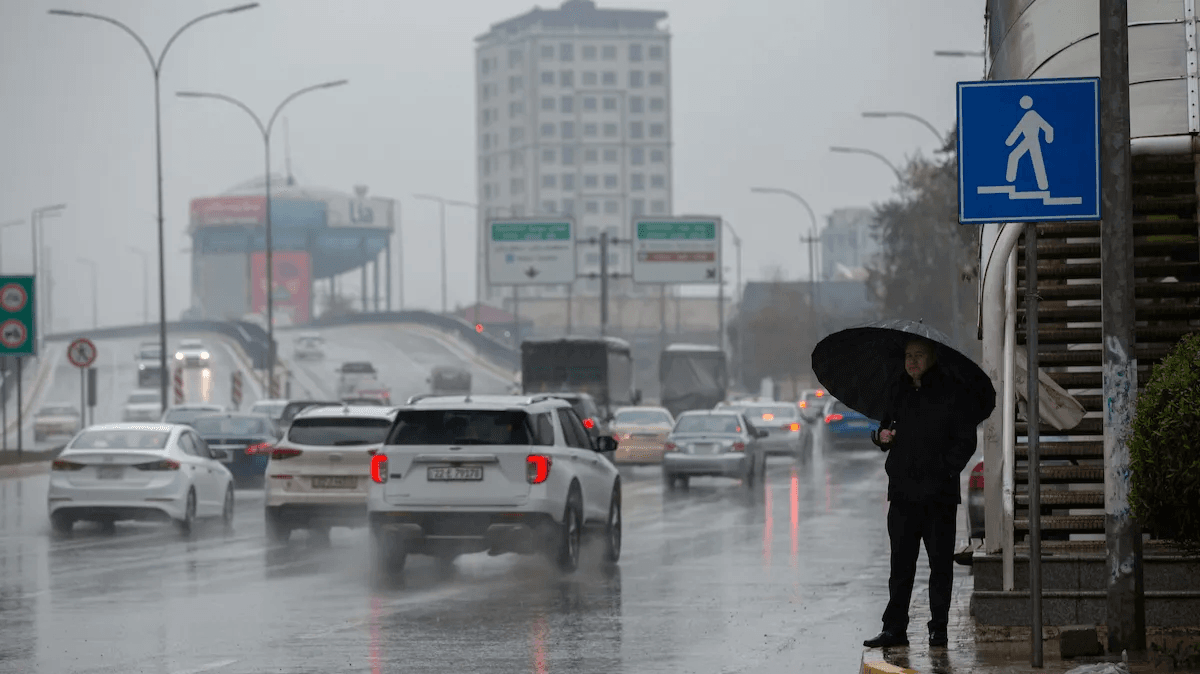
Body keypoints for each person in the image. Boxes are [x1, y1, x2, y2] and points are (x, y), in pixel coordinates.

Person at [863, 337, 979, 649]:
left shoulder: (951, 393)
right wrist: (883, 437)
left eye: (919, 355)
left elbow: (966, 441)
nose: (912, 361)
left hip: (939, 495)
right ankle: (894, 629)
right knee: (900, 565)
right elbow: (887, 428)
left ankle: (938, 629)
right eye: (908, 356)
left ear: (931, 359)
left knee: (940, 565)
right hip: (902, 494)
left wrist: (944, 469)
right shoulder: (897, 389)